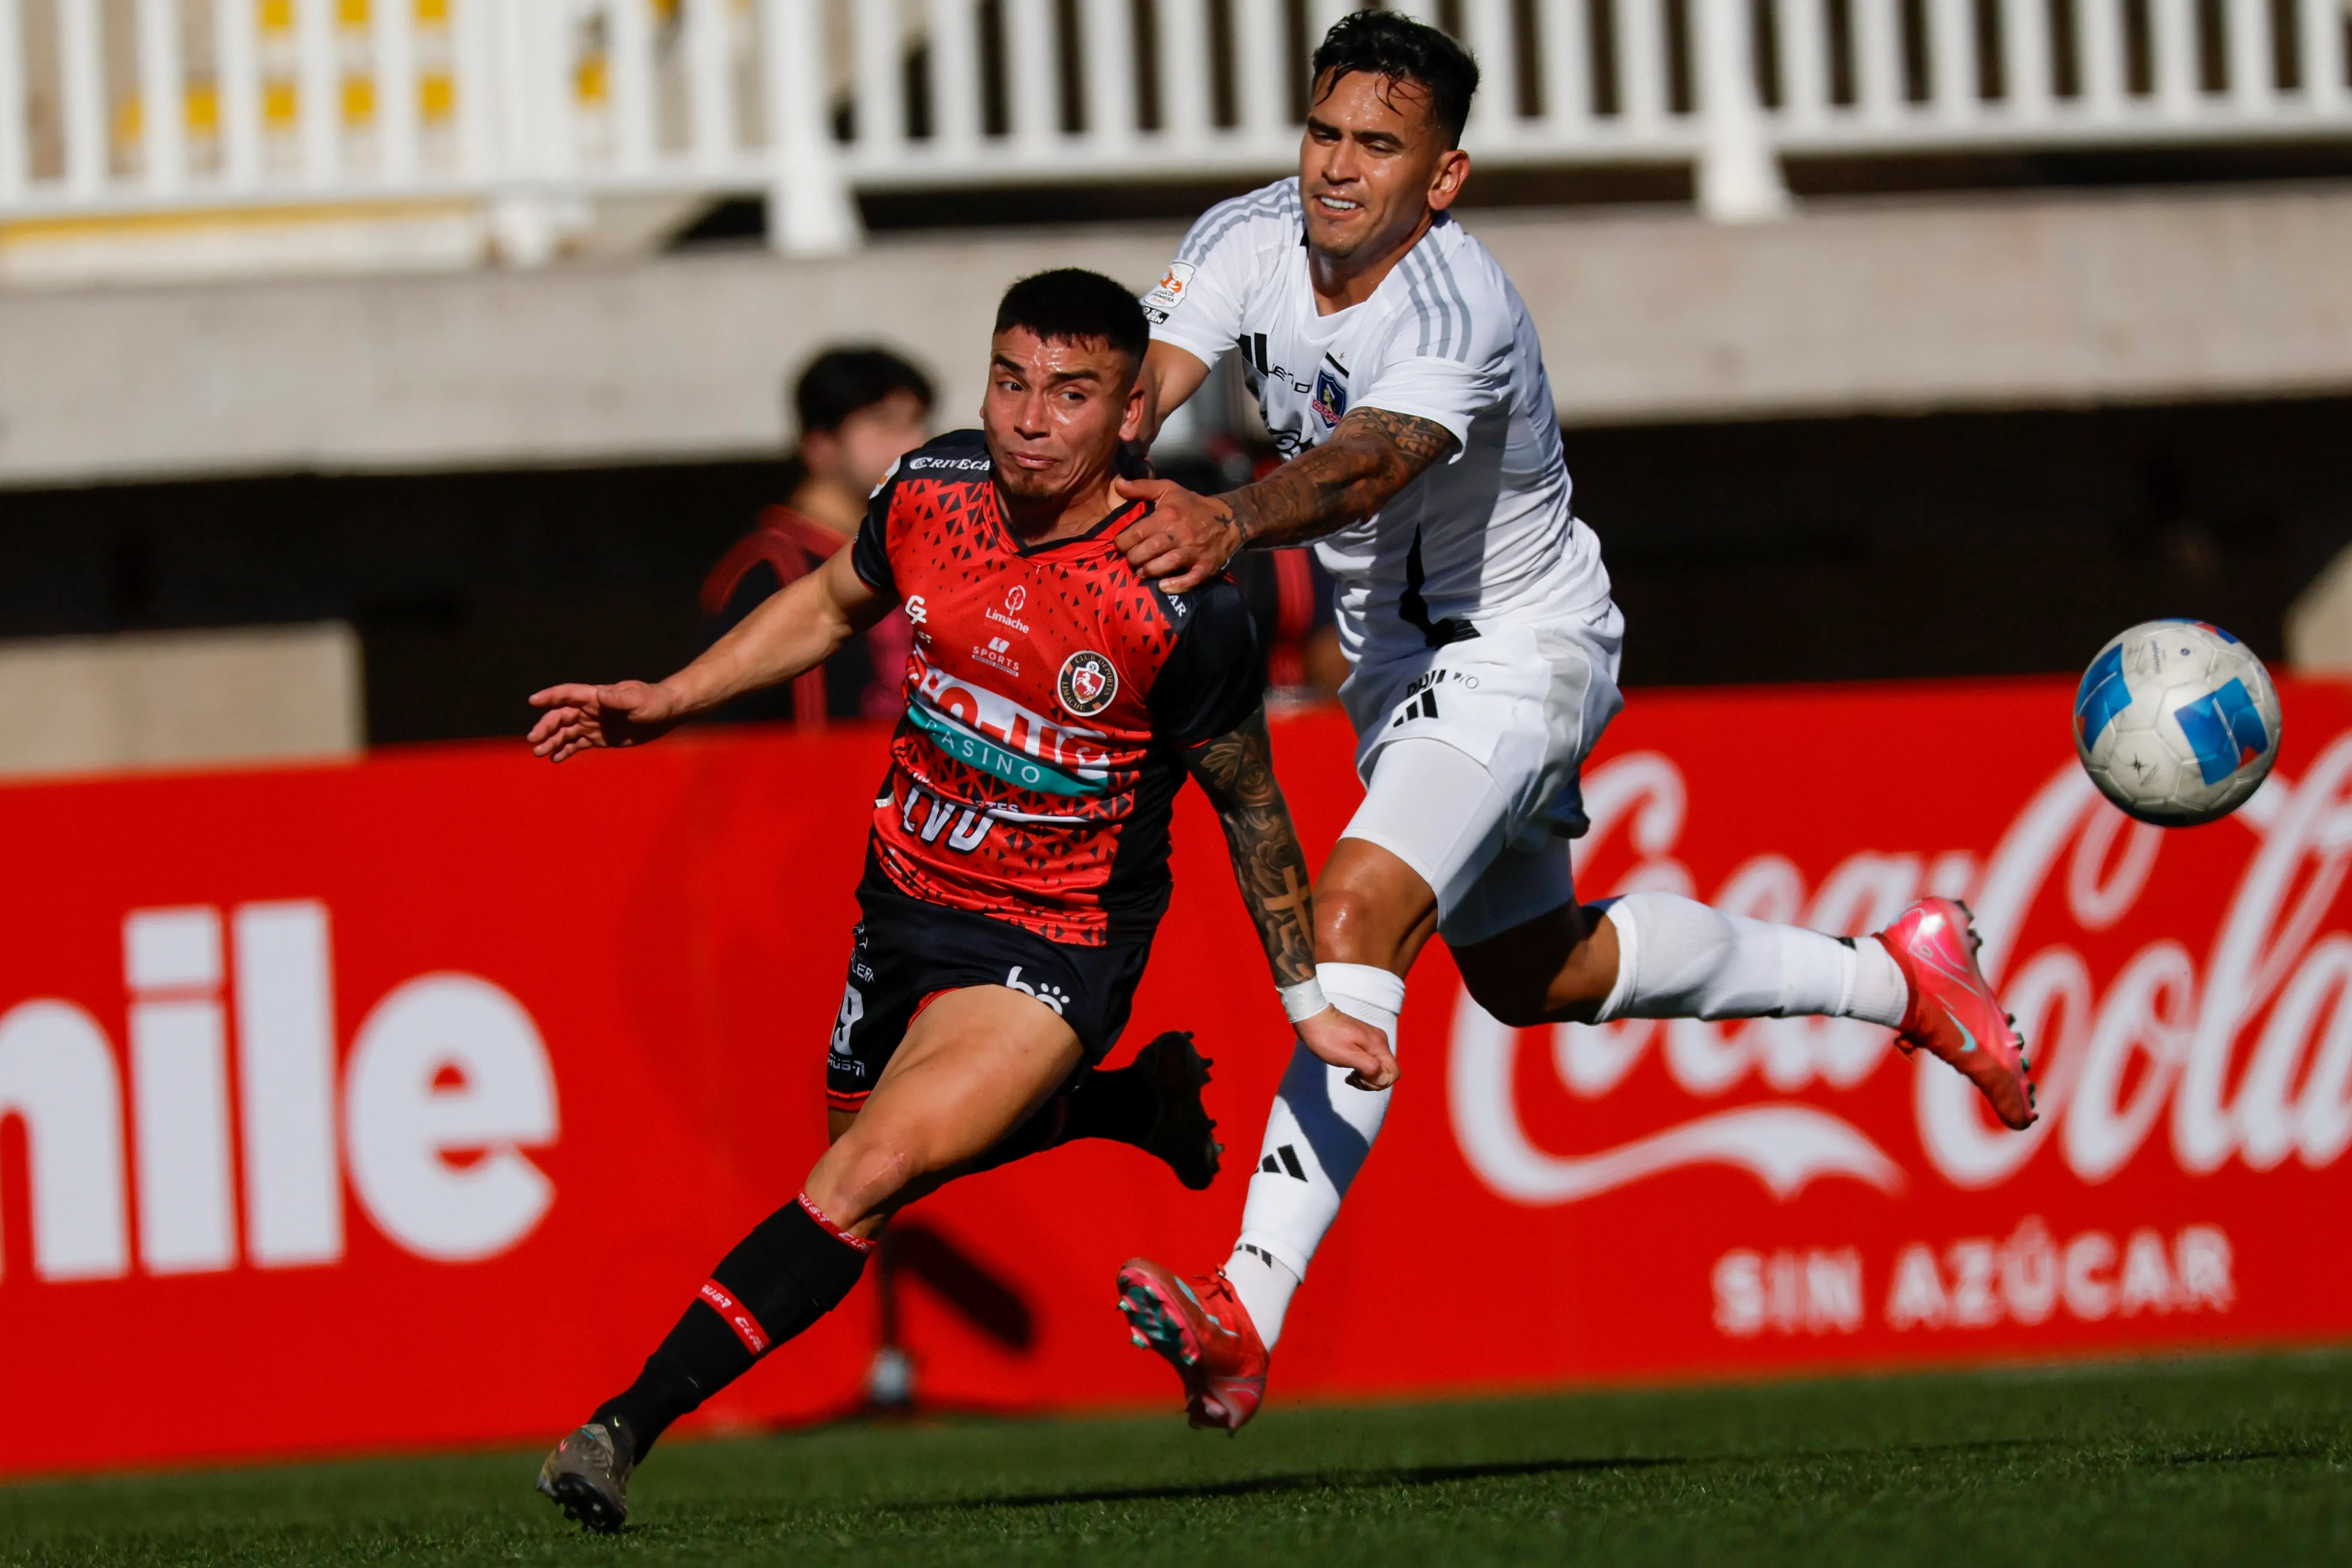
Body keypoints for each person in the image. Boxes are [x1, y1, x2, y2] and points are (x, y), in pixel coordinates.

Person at [1106, 11, 2037, 1433]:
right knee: (1531, 975)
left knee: (1352, 919)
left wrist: (1223, 516)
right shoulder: (1242, 237)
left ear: (1443, 178)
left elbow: (1362, 468)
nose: (1336, 170)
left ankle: (1243, 1309)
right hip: (1393, 677)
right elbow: (1138, 398)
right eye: (1322, 133)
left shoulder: (1454, 306)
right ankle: (1899, 979)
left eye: (1377, 146)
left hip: (1517, 652)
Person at [523, 268, 1396, 1531]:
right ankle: (1118, 1100)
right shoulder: (930, 489)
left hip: (1056, 935)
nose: (1029, 418)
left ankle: (617, 1428)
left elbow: (1250, 801)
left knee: (866, 1170)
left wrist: (1306, 1004)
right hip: (904, 898)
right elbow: (829, 604)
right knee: (862, 1145)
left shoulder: (1173, 593)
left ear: (1131, 412)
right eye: (1010, 380)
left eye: (1071, 392)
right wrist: (665, 698)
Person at [700, 347, 933, 726]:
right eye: (885, 425)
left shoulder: (922, 549)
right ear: (820, 445)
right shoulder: (768, 567)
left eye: (917, 422)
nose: (914, 442)